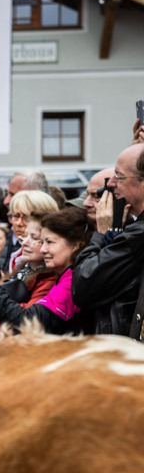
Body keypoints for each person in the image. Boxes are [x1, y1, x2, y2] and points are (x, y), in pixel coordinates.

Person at [0, 207, 91, 334]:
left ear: (75, 245)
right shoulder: (64, 275)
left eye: (49, 242)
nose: (43, 249)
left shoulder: (71, 281)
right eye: (42, 242)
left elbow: (27, 322)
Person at [72, 143, 144, 338]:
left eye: (119, 177)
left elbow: (83, 287)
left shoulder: (138, 234)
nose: (111, 184)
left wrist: (103, 233)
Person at [0, 208, 56, 342]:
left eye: (35, 238)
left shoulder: (49, 280)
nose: (24, 242)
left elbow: (21, 325)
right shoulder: (22, 269)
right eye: (25, 236)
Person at [6, 190, 58, 276]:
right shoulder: (17, 255)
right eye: (16, 216)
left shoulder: (52, 265)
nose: (19, 223)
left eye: (26, 217)